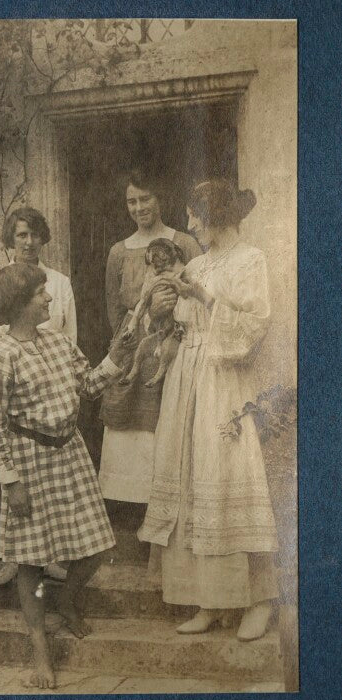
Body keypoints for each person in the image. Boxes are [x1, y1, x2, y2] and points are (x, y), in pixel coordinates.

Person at [138, 179, 279, 641]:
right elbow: (172, 326)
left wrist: (204, 298)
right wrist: (162, 308)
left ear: (216, 215)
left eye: (196, 215)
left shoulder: (250, 259)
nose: (191, 224)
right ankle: (209, 601)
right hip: (188, 378)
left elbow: (256, 324)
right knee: (191, 479)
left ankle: (258, 600)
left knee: (229, 475)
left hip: (224, 378)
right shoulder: (195, 262)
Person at [0, 263, 131, 689]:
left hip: (70, 454)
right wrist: (10, 481)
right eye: (41, 295)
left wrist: (118, 356)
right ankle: (40, 650)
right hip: (28, 462)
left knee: (99, 546)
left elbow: (88, 385)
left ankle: (66, 597)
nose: (49, 299)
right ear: (17, 305)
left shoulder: (59, 343)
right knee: (29, 561)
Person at [0, 207, 77, 585]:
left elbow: (70, 338)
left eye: (35, 234)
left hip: (48, 390)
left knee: (50, 487)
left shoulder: (59, 283)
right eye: (21, 235)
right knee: (12, 477)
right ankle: (14, 558)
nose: (29, 241)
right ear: (10, 239)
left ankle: (48, 555)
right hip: (10, 389)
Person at [99, 168, 201, 506]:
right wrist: (129, 342)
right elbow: (115, 310)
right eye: (132, 201)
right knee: (131, 426)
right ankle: (132, 508)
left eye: (146, 198)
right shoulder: (119, 251)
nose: (139, 207)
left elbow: (198, 294)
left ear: (160, 199)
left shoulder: (183, 242)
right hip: (135, 345)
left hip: (174, 342)